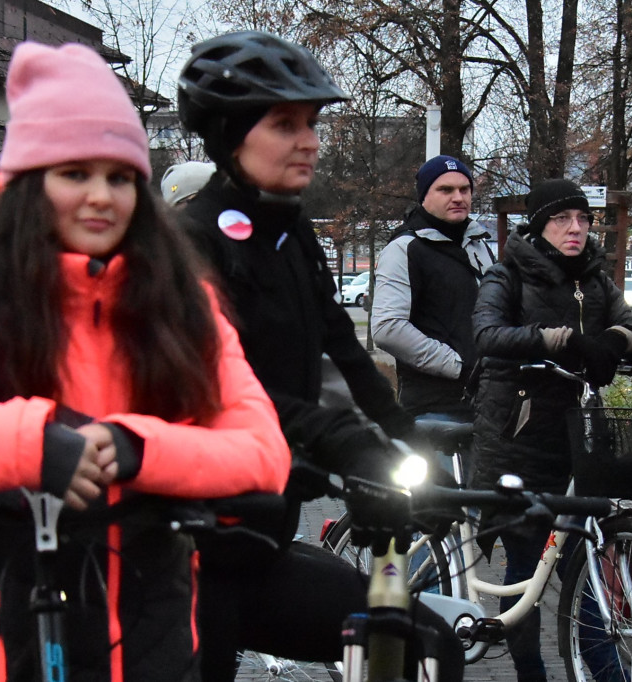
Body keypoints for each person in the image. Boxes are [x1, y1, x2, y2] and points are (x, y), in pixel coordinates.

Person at [0, 41, 291, 682]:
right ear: (29, 186)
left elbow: (262, 450)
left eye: (121, 176)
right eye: (75, 174)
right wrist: (26, 444)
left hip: (149, 629)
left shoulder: (184, 305)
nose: (102, 197)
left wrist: (139, 448)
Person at [175, 30, 464, 682]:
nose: (309, 140)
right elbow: (217, 387)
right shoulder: (191, 243)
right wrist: (341, 445)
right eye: (285, 124)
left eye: (311, 123)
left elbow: (343, 344)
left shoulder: (291, 233)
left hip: (261, 542)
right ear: (228, 132)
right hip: (190, 550)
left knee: (422, 642)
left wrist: (406, 439)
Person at [470, 178, 632, 682]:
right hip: (518, 440)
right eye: (561, 219)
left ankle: (607, 675)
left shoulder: (595, 278)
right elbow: (486, 334)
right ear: (540, 226)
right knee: (527, 570)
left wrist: (614, 341)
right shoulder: (508, 273)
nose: (575, 228)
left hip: (580, 439)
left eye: (583, 219)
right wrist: (558, 340)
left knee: (586, 569)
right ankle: (534, 674)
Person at [372, 154, 496, 424]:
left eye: (465, 190)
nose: (458, 197)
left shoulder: (479, 246)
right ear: (424, 196)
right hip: (433, 409)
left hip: (487, 403)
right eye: (445, 189)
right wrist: (458, 366)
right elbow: (387, 327)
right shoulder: (404, 249)